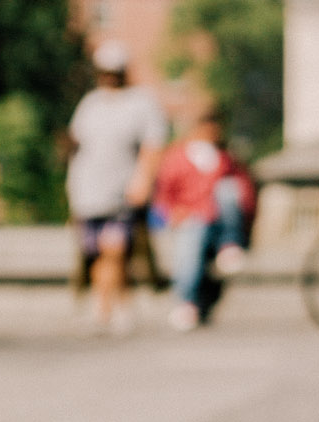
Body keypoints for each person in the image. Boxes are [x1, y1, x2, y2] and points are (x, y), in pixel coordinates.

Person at [63, 40, 168, 334]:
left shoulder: (141, 102)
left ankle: (104, 309)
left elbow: (153, 145)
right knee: (96, 253)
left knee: (116, 250)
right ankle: (117, 306)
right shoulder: (91, 103)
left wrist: (143, 180)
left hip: (121, 191)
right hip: (88, 192)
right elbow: (77, 143)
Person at [151, 109, 256, 330]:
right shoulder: (177, 157)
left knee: (228, 191)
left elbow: (244, 190)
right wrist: (173, 214)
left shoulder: (226, 158)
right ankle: (186, 301)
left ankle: (230, 243)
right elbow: (163, 195)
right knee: (190, 246)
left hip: (221, 219)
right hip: (192, 217)